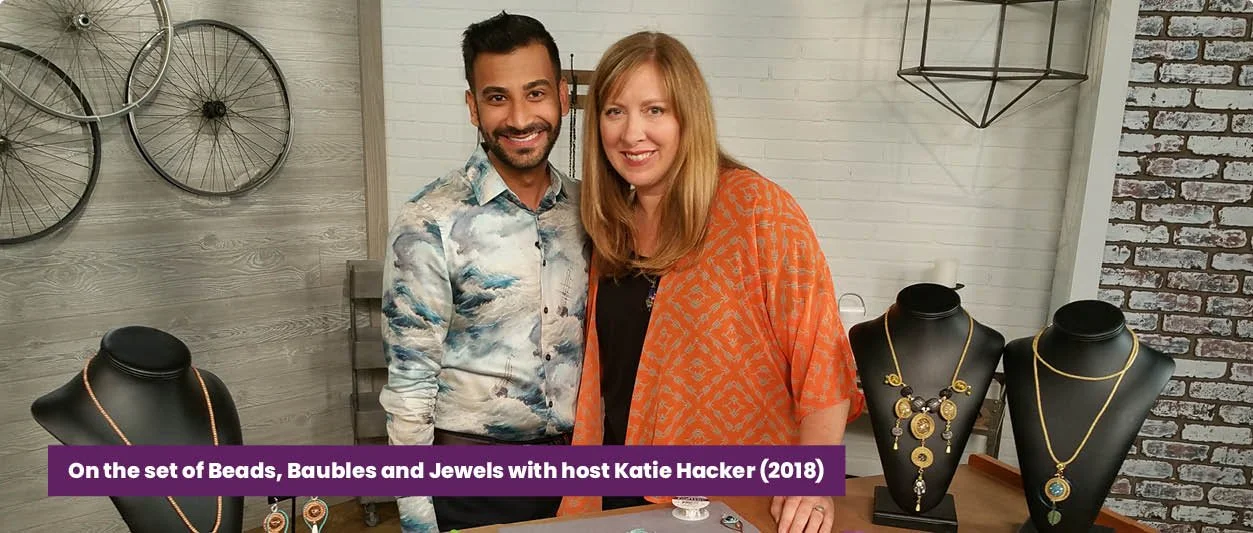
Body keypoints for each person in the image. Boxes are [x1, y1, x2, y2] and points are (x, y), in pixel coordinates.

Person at [556, 31, 865, 533]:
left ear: (688, 117)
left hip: (730, 499)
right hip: (620, 486)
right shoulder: (613, 226)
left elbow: (823, 362)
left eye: (654, 110)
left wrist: (812, 480)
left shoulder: (758, 209)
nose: (633, 133)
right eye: (615, 111)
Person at [379, 11, 588, 533]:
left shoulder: (590, 212)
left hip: (578, 473)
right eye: (497, 97)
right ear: (473, 107)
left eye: (536, 93)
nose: (520, 117)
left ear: (562, 97)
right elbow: (410, 383)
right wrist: (417, 517)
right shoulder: (429, 220)